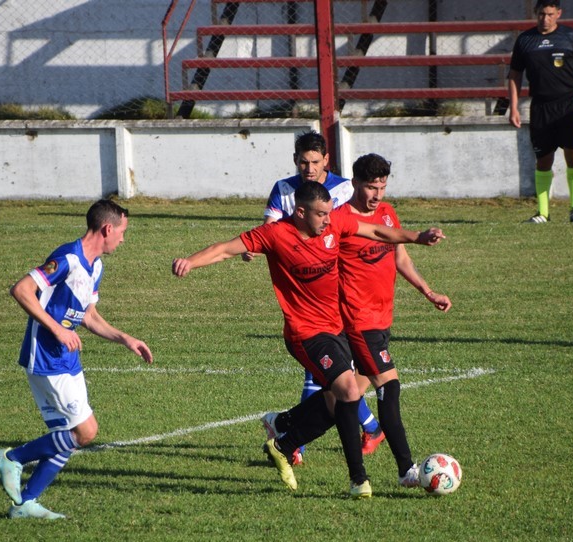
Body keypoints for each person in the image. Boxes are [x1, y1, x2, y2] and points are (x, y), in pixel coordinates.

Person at [173, 182, 445, 499]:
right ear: (300, 212)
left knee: (343, 397)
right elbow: (225, 249)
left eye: (329, 213)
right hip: (305, 333)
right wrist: (191, 261)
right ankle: (359, 481)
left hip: (339, 327)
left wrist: (418, 238)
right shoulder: (276, 234)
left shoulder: (334, 222)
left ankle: (283, 437)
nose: (328, 221)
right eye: (320, 215)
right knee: (346, 390)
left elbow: (377, 233)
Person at [263, 153, 452, 489]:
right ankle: (405, 470)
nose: (376, 194)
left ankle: (284, 425)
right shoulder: (336, 220)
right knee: (389, 387)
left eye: (381, 186)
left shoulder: (387, 213)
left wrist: (428, 291)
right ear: (355, 184)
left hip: (382, 318)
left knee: (343, 399)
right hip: (357, 320)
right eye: (370, 187)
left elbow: (399, 256)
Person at [0, 198, 153, 520]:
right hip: (46, 358)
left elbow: (88, 316)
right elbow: (21, 290)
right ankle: (13, 458)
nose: (123, 238)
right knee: (85, 432)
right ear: (107, 229)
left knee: (68, 436)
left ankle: (25, 505)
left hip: (67, 359)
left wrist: (125, 338)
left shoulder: (96, 267)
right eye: (122, 231)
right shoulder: (66, 259)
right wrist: (56, 328)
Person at [251, 131, 385, 465]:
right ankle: (356, 429)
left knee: (337, 375)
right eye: (302, 162)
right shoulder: (284, 189)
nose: (308, 168)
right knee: (329, 375)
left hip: (343, 288)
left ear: (326, 160)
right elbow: (269, 226)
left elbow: (355, 228)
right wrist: (256, 248)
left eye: (314, 161)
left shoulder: (342, 190)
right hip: (306, 290)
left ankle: (298, 437)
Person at [507, 0, 573, 223]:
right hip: (541, 107)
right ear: (536, 14)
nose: (545, 19)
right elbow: (515, 75)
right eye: (541, 14)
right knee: (543, 161)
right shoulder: (525, 40)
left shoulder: (571, 36)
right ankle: (542, 213)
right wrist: (513, 107)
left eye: (550, 14)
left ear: (559, 14)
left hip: (569, 106)